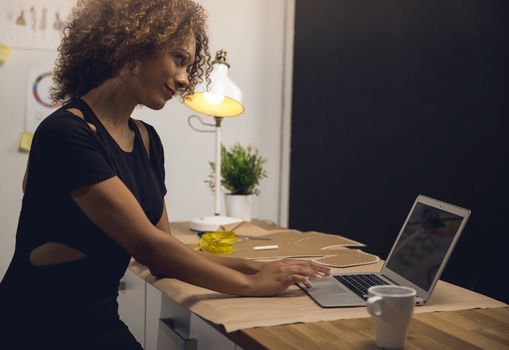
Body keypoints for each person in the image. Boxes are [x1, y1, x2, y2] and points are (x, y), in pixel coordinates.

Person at [0, 1, 329, 349]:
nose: (185, 79)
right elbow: (149, 246)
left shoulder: (146, 140)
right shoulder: (66, 134)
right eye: (179, 59)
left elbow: (166, 247)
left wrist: (251, 266)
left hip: (96, 321)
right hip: (36, 327)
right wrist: (252, 285)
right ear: (134, 45)